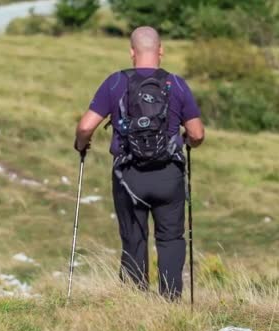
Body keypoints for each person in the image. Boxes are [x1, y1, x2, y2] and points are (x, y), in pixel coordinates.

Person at [74, 26, 205, 299]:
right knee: (170, 240)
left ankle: (134, 302)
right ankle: (170, 303)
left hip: (128, 175)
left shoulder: (115, 82)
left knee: (134, 239)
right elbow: (197, 134)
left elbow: (86, 126)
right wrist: (187, 143)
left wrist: (81, 144)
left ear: (132, 52)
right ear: (161, 51)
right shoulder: (177, 84)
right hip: (169, 174)